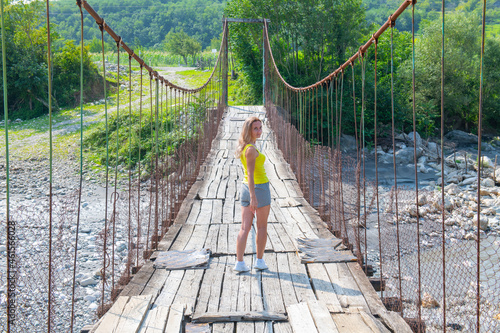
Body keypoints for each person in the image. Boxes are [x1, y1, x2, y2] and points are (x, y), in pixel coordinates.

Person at [234, 116, 271, 272]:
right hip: (259, 189)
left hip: (246, 188)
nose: (259, 131)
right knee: (261, 227)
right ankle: (259, 261)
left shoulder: (247, 147)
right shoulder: (250, 149)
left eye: (260, 128)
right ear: (248, 130)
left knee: (245, 227)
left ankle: (240, 263)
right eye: (255, 128)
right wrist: (253, 197)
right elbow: (250, 173)